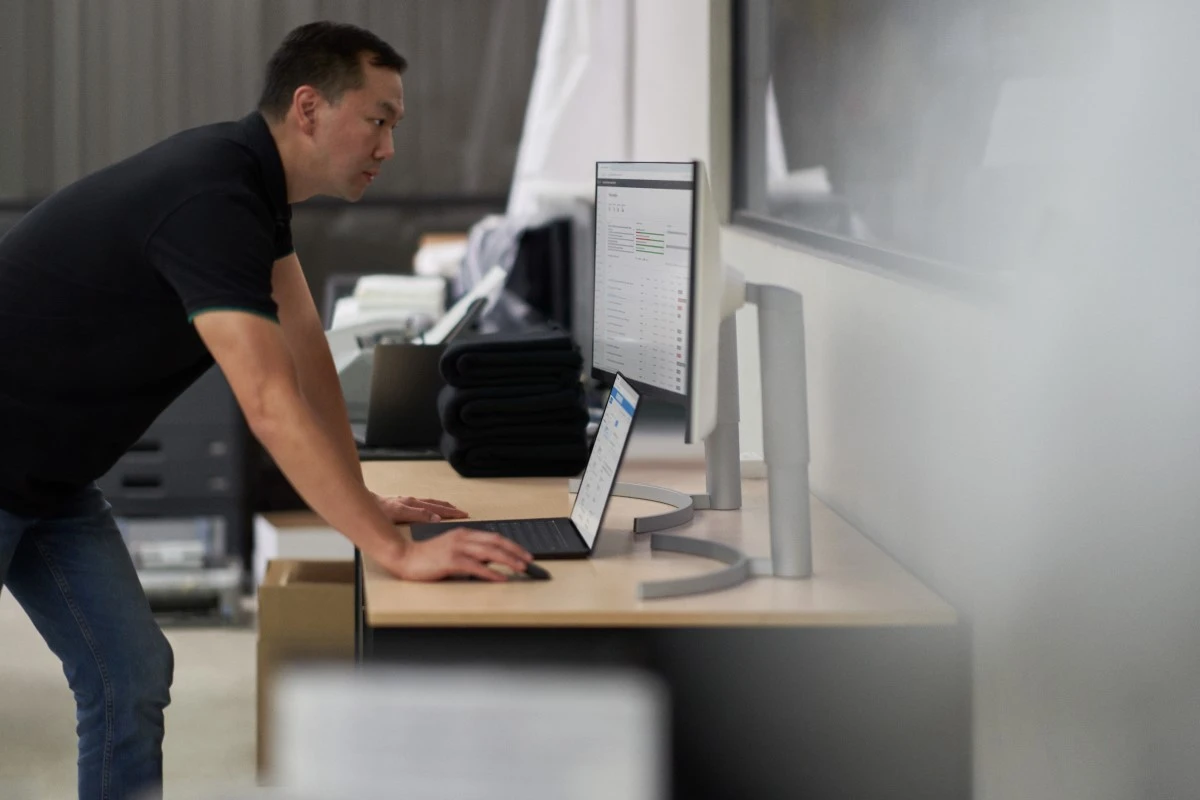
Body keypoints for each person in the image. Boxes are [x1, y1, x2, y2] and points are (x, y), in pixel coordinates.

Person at [0, 20, 532, 799]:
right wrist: (396, 551)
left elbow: (308, 348)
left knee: (131, 675)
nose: (388, 148)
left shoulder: (252, 187)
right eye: (377, 120)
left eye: (394, 126)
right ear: (310, 108)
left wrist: (361, 499)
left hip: (46, 480)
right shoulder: (211, 196)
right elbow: (268, 400)